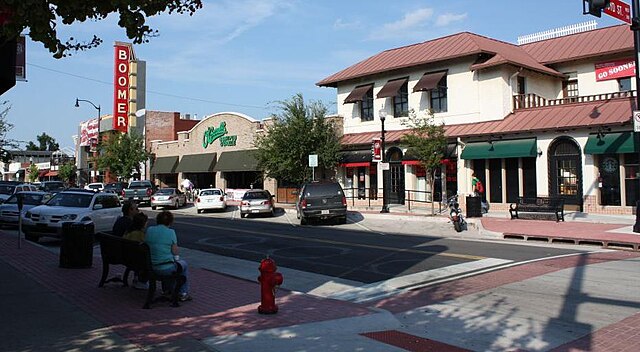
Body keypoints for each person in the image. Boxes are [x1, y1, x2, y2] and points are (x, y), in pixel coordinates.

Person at [145, 210, 192, 302]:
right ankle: (183, 293)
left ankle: (168, 289)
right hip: (165, 267)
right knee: (183, 265)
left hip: (151, 266)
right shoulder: (171, 232)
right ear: (170, 222)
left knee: (172, 265)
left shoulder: (150, 230)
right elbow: (175, 252)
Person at [124, 212, 149, 290]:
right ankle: (141, 281)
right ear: (142, 224)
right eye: (146, 222)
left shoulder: (128, 232)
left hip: (127, 257)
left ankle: (137, 279)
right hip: (136, 260)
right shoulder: (140, 235)